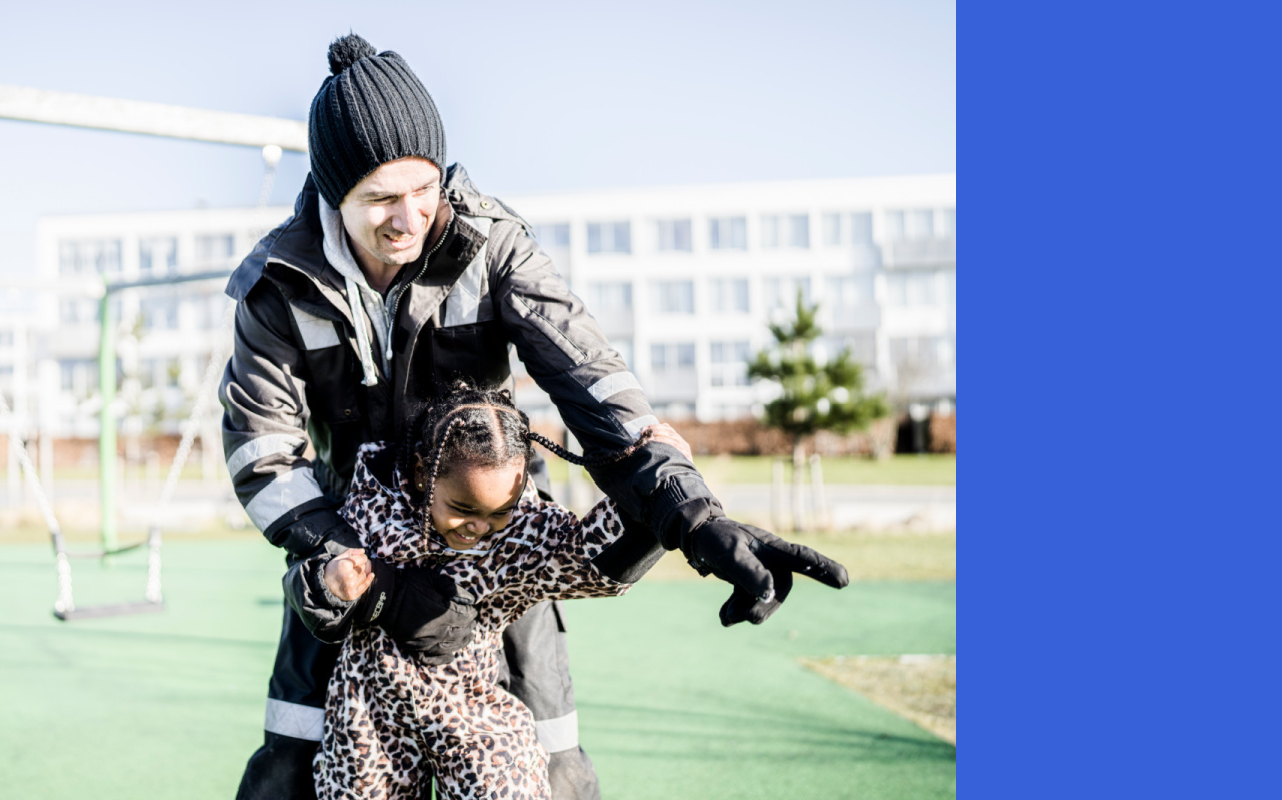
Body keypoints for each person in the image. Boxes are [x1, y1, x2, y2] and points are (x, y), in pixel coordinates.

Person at [222, 34, 851, 800]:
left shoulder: (493, 245)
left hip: (500, 538)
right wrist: (358, 570)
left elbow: (591, 378)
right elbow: (262, 450)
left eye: (424, 187)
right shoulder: (278, 283)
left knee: (550, 766)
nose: (408, 217)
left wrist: (691, 512)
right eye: (381, 199)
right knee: (293, 770)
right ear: (334, 194)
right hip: (350, 547)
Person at [315, 388, 749, 800]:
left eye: (499, 512)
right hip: (368, 714)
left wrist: (663, 486)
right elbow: (318, 571)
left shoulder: (522, 536)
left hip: (470, 714)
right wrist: (332, 582)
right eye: (462, 509)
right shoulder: (375, 499)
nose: (478, 527)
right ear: (420, 472)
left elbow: (591, 558)